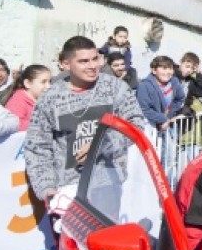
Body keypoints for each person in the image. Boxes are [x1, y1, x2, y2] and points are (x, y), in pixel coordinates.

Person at [25, 36, 145, 205]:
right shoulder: (50, 97)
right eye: (83, 61)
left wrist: (100, 145)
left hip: (107, 183)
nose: (93, 66)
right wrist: (46, 188)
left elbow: (136, 125)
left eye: (95, 58)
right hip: (67, 189)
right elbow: (37, 146)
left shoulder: (115, 88)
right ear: (66, 64)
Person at [137, 56, 185, 132]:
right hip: (150, 126)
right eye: (164, 68)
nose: (168, 72)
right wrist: (163, 119)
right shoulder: (144, 86)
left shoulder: (174, 81)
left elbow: (180, 99)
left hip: (169, 125)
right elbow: (144, 109)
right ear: (154, 70)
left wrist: (170, 115)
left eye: (170, 68)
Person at [2, 65, 53, 131]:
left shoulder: (44, 99)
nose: (49, 86)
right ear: (28, 83)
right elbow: (16, 125)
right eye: (43, 82)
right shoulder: (17, 102)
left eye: (50, 82)